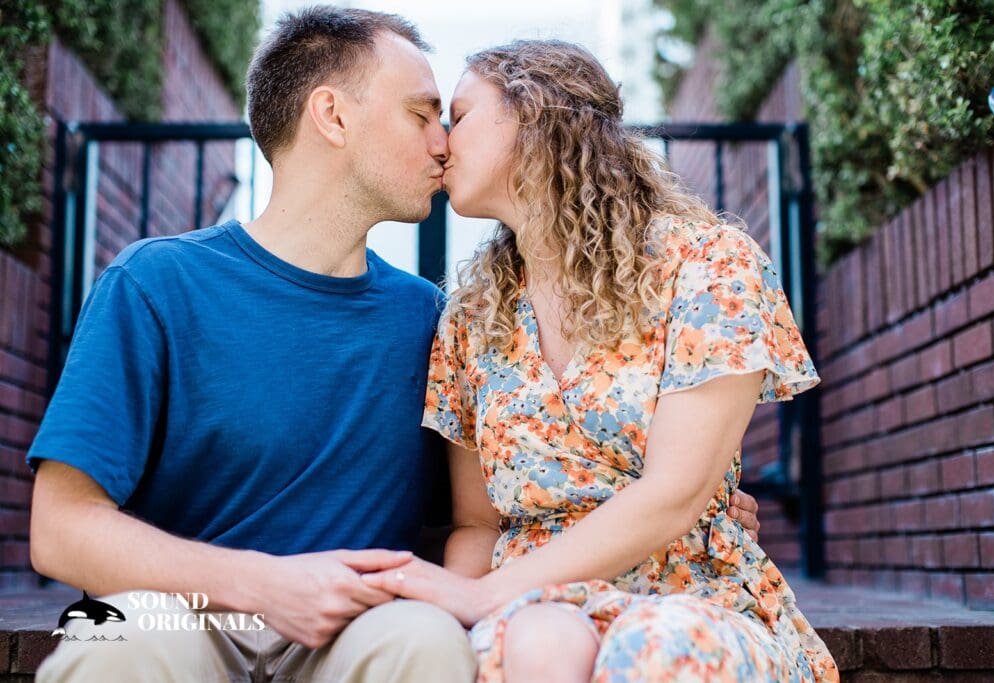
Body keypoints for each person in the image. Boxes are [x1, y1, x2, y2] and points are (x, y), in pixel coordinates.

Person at [25, 7, 762, 682]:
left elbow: (488, 513)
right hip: (189, 609)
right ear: (333, 115)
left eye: (451, 118)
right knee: (125, 645)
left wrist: (695, 499)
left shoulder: (434, 319)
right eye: (422, 114)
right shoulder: (157, 284)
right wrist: (263, 585)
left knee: (424, 641)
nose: (444, 143)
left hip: (361, 623)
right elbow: (59, 530)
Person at [360, 40, 840, 682]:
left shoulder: (706, 265)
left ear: (534, 117)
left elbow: (675, 493)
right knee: (540, 643)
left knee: (659, 646)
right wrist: (458, 615)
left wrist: (482, 595)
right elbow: (478, 523)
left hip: (691, 595)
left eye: (461, 115)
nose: (442, 143)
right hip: (528, 604)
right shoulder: (471, 317)